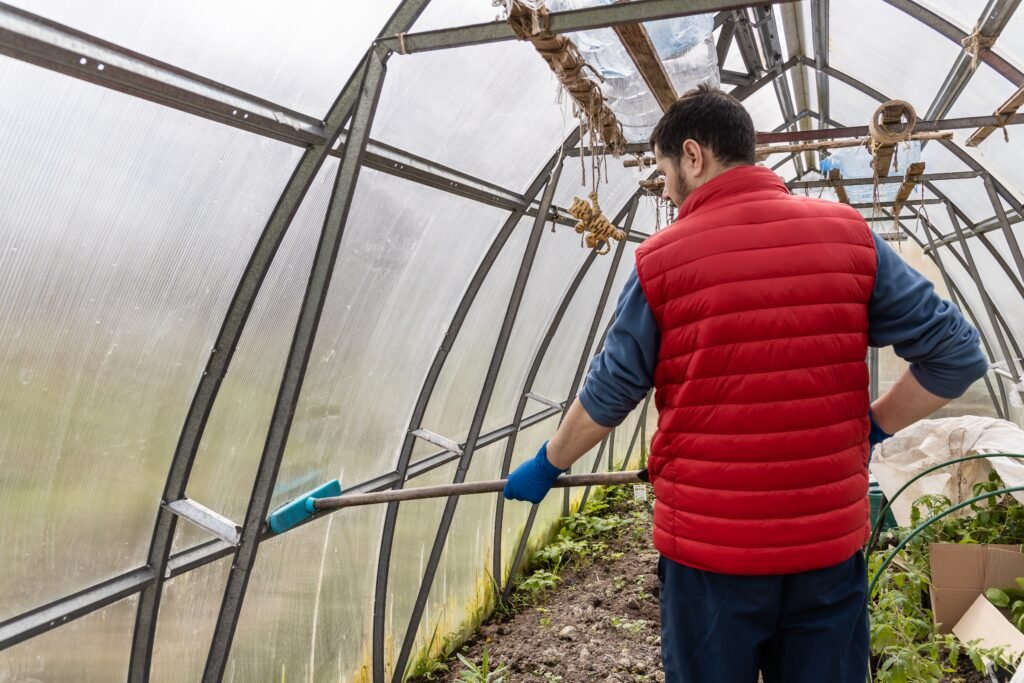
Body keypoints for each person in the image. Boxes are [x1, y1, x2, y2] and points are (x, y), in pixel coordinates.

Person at [502, 85, 989, 683]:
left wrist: (549, 463)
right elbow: (958, 357)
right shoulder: (849, 236)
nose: (664, 187)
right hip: (826, 545)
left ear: (692, 155)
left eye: (662, 171)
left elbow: (610, 394)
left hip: (711, 557)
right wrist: (872, 425)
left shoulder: (663, 262)